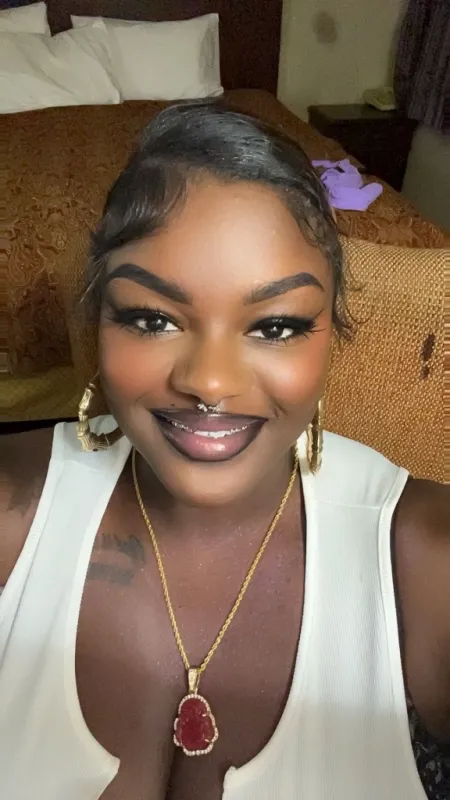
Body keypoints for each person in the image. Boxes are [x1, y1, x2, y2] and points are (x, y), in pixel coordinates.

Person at [0, 104, 448, 800]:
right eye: (153, 319)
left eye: (275, 326)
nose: (209, 382)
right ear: (98, 320)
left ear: (332, 335)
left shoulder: (423, 559)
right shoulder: (13, 511)